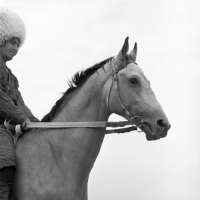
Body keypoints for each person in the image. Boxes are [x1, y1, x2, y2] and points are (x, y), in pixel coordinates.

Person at [0, 7, 39, 199]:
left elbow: (20, 103)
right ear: (1, 39)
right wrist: (23, 119)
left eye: (18, 44)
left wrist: (36, 122)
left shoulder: (12, 78)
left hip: (9, 127)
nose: (16, 47)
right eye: (12, 42)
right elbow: (2, 100)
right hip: (0, 128)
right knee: (6, 159)